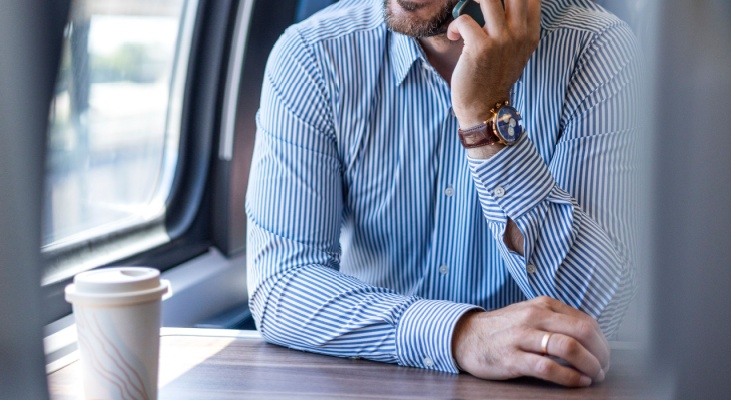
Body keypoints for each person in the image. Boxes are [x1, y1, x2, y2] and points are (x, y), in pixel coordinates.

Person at [246, 0, 639, 387]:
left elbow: (594, 320)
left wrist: (485, 115)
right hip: (373, 379)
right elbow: (282, 286)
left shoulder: (595, 50)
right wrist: (460, 334)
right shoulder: (315, 54)